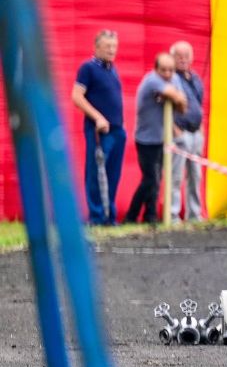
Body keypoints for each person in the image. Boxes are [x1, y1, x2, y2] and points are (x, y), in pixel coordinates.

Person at [125, 53, 187, 224]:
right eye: (163, 70)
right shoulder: (151, 80)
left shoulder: (174, 79)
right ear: (155, 69)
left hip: (163, 139)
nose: (167, 74)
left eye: (170, 70)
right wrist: (175, 96)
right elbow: (176, 96)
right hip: (146, 139)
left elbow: (183, 105)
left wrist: (177, 97)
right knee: (150, 179)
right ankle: (131, 215)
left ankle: (150, 215)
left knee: (156, 179)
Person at [72, 29, 126, 225]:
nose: (112, 50)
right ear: (96, 47)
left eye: (114, 46)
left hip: (118, 130)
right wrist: (98, 118)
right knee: (96, 173)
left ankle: (109, 216)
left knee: (113, 174)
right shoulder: (88, 68)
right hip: (99, 131)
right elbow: (76, 96)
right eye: (107, 46)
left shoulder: (112, 69)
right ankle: (97, 217)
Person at [169, 41, 206, 222]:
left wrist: (201, 130)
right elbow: (166, 109)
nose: (183, 60)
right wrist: (175, 132)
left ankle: (194, 214)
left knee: (195, 176)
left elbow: (199, 106)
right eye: (179, 56)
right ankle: (173, 214)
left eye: (186, 56)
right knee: (176, 176)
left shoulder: (196, 79)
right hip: (180, 133)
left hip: (195, 133)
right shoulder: (170, 80)